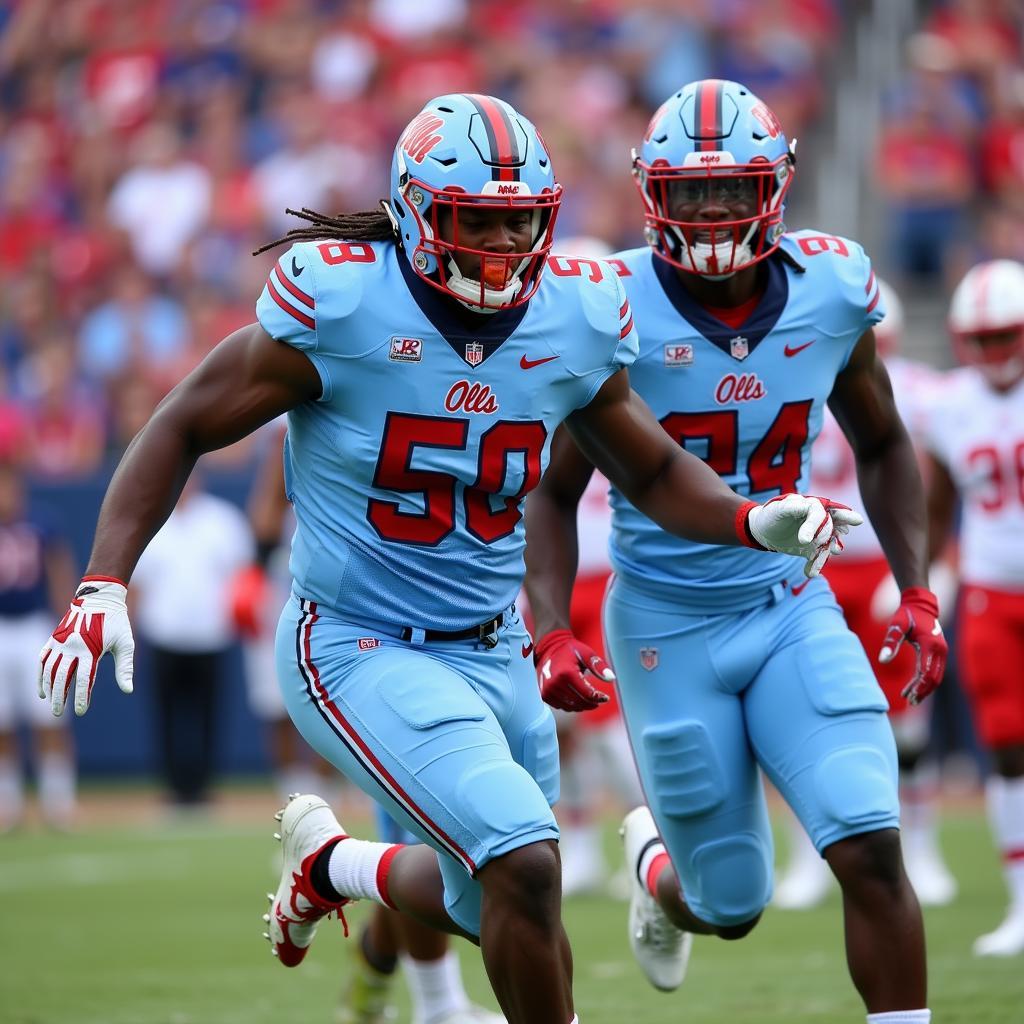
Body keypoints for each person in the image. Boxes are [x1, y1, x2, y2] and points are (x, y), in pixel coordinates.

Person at [37, 93, 854, 1024]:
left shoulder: (575, 317)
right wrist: (104, 578)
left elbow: (654, 466)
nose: (506, 242)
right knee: (525, 859)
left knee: (503, 894)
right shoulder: (344, 303)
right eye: (480, 218)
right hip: (356, 640)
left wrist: (750, 521)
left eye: (523, 219)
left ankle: (335, 866)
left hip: (494, 645)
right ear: (420, 213)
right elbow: (182, 420)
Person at [524, 79, 947, 1024]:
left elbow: (882, 442)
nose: (712, 212)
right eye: (692, 192)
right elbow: (549, 495)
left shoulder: (832, 289)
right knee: (733, 905)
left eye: (731, 189)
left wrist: (917, 592)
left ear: (776, 186)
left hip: (788, 603)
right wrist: (549, 629)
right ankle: (658, 871)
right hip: (668, 626)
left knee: (871, 843)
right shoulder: (611, 306)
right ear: (652, 196)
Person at [234, 420, 503, 1023]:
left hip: (475, 617)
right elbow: (267, 499)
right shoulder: (345, 374)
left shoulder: (483, 374)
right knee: (437, 839)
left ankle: (364, 949)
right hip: (366, 627)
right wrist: (255, 566)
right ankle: (438, 1004)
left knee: (470, 842)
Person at [775, 279, 957, 910]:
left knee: (908, 719)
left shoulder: (920, 390)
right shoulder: (790, 370)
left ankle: (922, 848)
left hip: (879, 562)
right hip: (808, 563)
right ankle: (806, 856)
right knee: (799, 713)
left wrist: (935, 564)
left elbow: (947, 472)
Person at [923, 258, 1024, 958]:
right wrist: (931, 572)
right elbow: (932, 499)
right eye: (981, 338)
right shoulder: (947, 404)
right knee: (1007, 747)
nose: (994, 352)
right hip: (990, 587)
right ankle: (1023, 903)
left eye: (1006, 335)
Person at [131, 470, 254, 809]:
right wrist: (132, 634)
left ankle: (203, 787)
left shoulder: (223, 521)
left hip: (210, 636)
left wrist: (242, 622)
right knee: (166, 715)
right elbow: (138, 587)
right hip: (164, 634)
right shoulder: (153, 520)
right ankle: (174, 788)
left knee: (209, 714)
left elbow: (243, 579)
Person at [0, 459, 77, 831]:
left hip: (33, 626)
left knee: (48, 717)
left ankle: (57, 801)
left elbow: (59, 570)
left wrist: (64, 624)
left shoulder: (41, 523)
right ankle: (7, 805)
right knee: (3, 724)